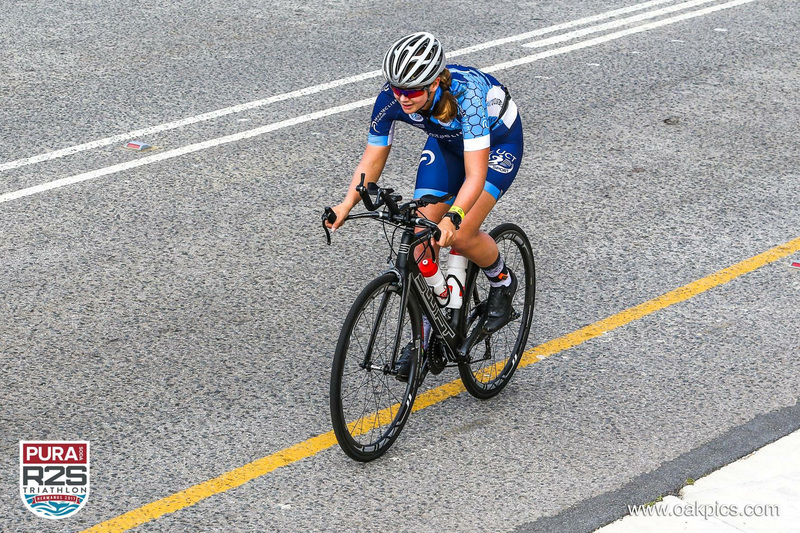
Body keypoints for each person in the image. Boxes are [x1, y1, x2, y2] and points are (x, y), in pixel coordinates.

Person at [327, 32, 524, 379]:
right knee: (419, 242)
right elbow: (372, 159)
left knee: (460, 235)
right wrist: (346, 205)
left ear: (435, 83)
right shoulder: (393, 98)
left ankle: (502, 280)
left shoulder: (470, 98)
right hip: (448, 146)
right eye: (397, 89)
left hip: (497, 146)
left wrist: (454, 217)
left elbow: (475, 177)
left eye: (412, 91)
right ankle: (430, 330)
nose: (402, 98)